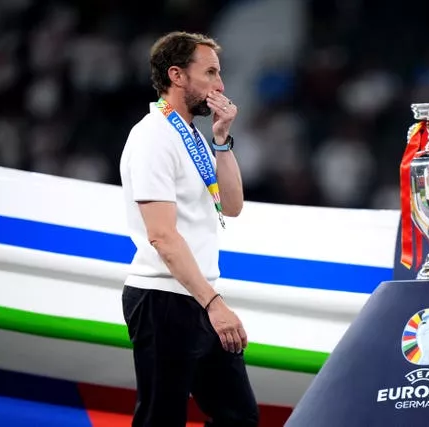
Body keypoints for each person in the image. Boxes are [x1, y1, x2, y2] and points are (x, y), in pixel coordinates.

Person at [119, 31, 259, 427]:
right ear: (177, 75)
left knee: (239, 417)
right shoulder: (152, 137)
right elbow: (162, 235)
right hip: (163, 297)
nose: (221, 85)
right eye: (211, 72)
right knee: (161, 419)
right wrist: (214, 304)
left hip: (196, 294)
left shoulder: (193, 136)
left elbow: (231, 205)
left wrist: (222, 139)